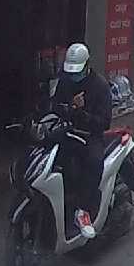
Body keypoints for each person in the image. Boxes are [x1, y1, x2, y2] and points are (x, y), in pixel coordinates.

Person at [52, 43, 112, 239]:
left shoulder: (100, 86)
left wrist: (81, 113)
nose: (73, 76)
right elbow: (56, 106)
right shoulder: (65, 81)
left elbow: (104, 122)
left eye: (77, 72)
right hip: (66, 130)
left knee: (94, 162)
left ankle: (84, 211)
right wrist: (69, 108)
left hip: (90, 135)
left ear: (87, 65)